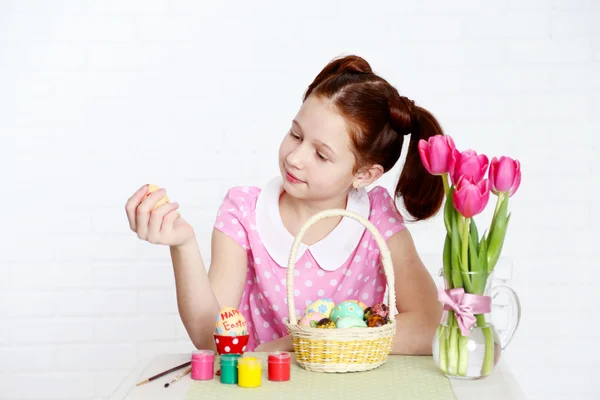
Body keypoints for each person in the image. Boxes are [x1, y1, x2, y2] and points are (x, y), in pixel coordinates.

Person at [125, 55, 445, 355]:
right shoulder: (244, 212)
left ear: (364, 174)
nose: (294, 158)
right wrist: (184, 245)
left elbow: (428, 323)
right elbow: (208, 336)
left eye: (321, 155)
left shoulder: (376, 218)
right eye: (295, 134)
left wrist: (298, 343)